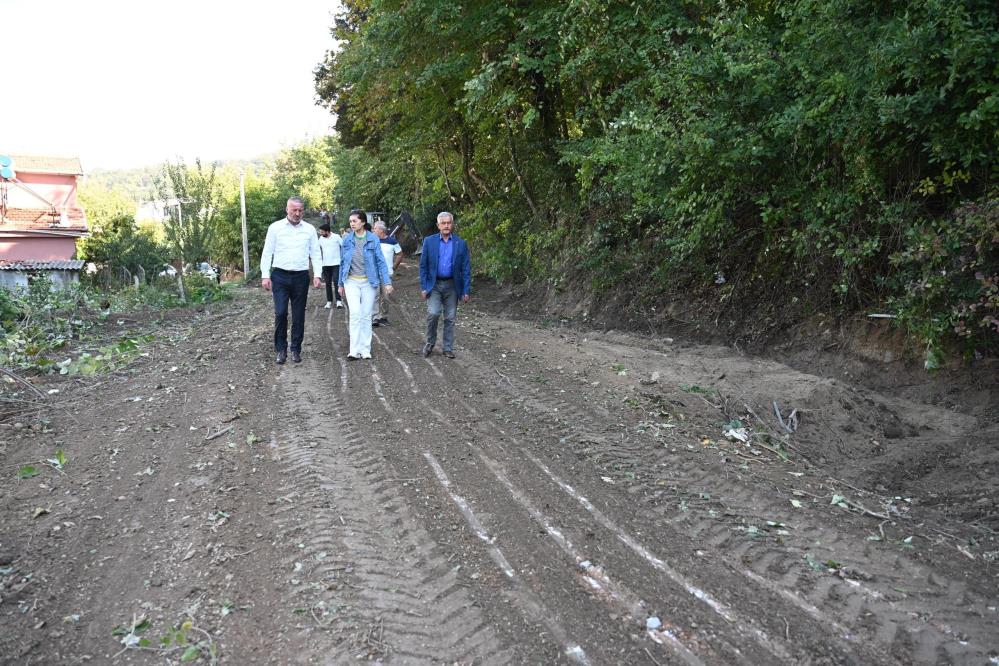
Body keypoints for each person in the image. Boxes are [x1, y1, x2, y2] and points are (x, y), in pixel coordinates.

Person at [260, 197, 322, 364]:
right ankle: (281, 349)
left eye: (300, 210)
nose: (297, 213)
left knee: (298, 315)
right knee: (280, 313)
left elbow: (315, 253)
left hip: (301, 276)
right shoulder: (275, 228)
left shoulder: (309, 230)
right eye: (294, 210)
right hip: (279, 275)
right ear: (286, 209)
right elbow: (267, 252)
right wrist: (265, 275)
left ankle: (296, 349)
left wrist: (317, 274)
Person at [338, 209, 393, 360]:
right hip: (351, 281)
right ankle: (354, 350)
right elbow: (342, 263)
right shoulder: (347, 240)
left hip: (369, 282)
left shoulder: (373, 239)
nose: (352, 224)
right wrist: (340, 284)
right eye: (350, 221)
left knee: (366, 315)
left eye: (354, 221)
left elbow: (380, 261)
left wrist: (386, 282)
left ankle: (365, 349)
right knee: (355, 314)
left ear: (362, 222)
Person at [419, 211, 471, 359]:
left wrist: (466, 290)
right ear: (438, 225)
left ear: (452, 224)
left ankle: (447, 348)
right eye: (443, 223)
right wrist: (424, 286)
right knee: (433, 313)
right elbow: (423, 266)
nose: (446, 226)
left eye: (449, 223)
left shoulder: (461, 243)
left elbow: (466, 268)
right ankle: (430, 343)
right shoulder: (429, 241)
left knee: (450, 317)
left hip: (453, 285)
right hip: (434, 285)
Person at [372, 220, 403, 326]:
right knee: (374, 296)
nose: (373, 230)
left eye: (375, 228)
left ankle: (384, 317)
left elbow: (400, 254)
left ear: (381, 230)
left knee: (386, 296)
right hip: (374, 273)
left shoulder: (392, 241)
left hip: (387, 273)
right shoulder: (372, 241)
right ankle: (375, 317)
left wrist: (394, 267)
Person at [317, 223, 344, 309]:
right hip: (325, 264)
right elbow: (316, 248)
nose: (320, 233)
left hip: (336, 263)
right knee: (327, 283)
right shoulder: (321, 239)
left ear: (327, 231)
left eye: (322, 232)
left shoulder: (336, 237)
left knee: (336, 282)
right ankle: (329, 301)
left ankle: (339, 301)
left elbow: (344, 246)